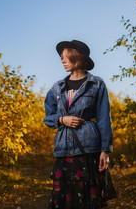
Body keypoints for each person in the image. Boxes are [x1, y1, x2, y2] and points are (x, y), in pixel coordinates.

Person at [44, 40, 117, 208]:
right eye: (61, 58)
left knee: (87, 200)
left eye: (65, 57)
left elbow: (104, 118)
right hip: (64, 151)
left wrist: (105, 150)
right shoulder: (57, 88)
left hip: (89, 149)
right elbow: (48, 117)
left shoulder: (97, 84)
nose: (62, 60)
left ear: (77, 56)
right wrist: (62, 120)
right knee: (64, 200)